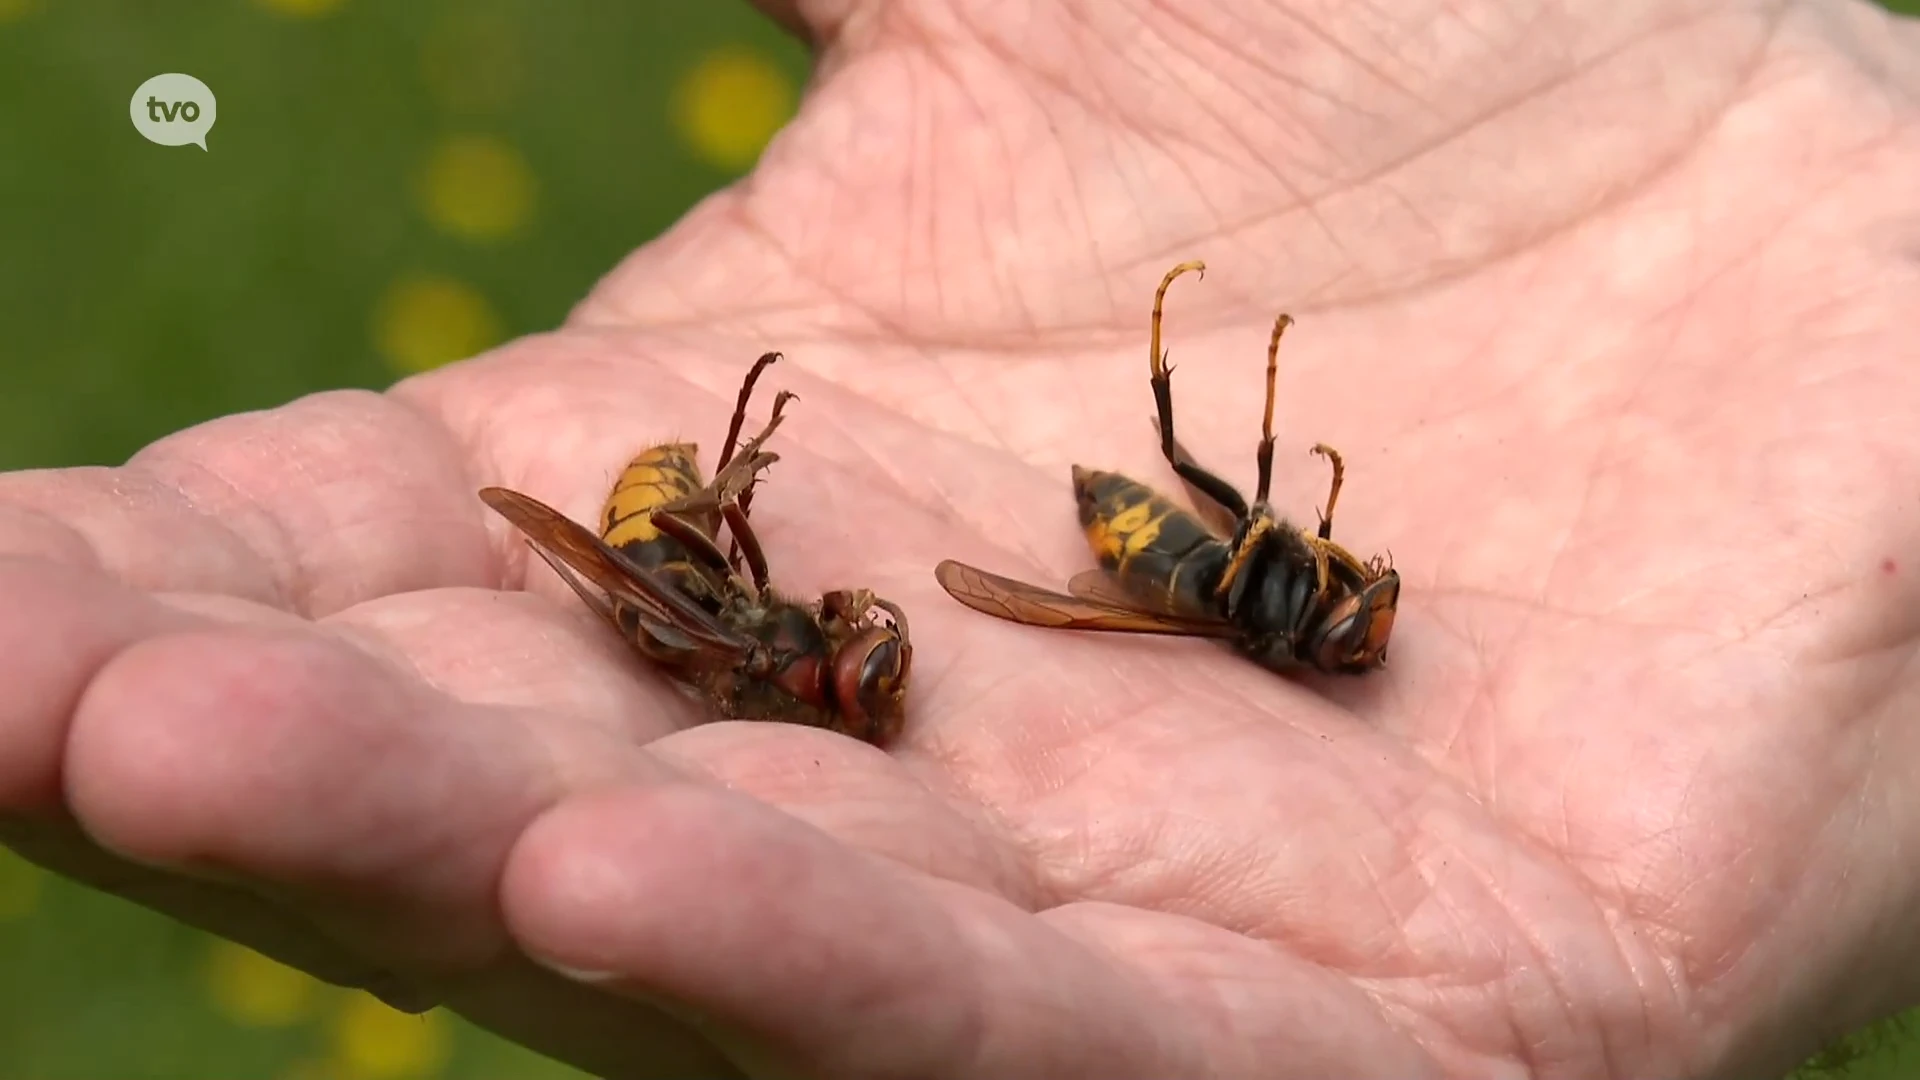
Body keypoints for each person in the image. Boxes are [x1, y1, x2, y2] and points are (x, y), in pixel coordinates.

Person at [6, 0, 1920, 1076]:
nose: (1353, 612)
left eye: (1342, 614)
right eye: (1347, 609)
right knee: (1190, 462)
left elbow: (722, 580)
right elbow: (1251, 525)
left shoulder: (1157, 608)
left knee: (1165, 479)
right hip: (1027, 534)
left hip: (988, 544)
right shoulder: (1217, 584)